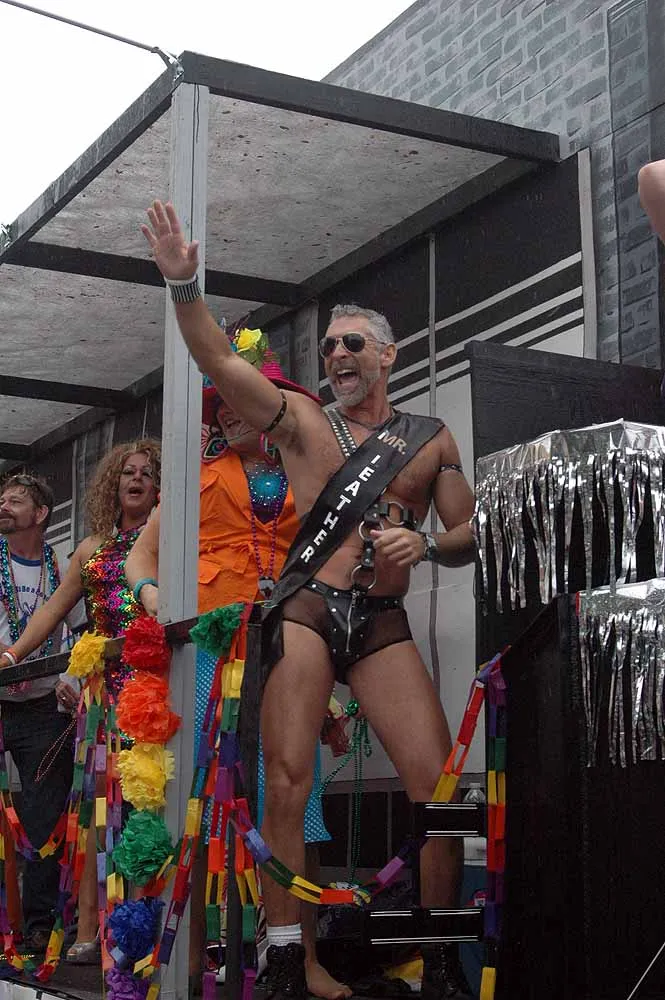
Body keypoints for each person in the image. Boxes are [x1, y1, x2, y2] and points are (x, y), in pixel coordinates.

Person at [142, 200, 476, 1000]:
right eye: (328, 345)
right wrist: (184, 287)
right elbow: (218, 360)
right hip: (305, 613)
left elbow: (468, 533)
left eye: (351, 343)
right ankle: (288, 958)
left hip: (382, 622)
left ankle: (437, 959)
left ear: (388, 355)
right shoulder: (296, 419)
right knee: (286, 782)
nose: (336, 354)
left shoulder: (430, 438)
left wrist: (426, 545)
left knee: (440, 790)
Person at [125, 344, 351, 1000]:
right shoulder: (193, 479)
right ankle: (189, 961)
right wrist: (154, 601)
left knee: (297, 801)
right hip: (208, 649)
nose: (225, 412)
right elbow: (140, 558)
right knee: (198, 802)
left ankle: (300, 959)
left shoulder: (308, 473)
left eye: (236, 399)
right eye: (218, 404)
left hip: (290, 642)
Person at [0, 441, 161, 962]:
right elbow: (52, 611)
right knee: (96, 810)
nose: (136, 480)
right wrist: (12, 655)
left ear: (162, 487)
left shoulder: (171, 539)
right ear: (112, 483)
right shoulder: (91, 547)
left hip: (157, 689)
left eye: (148, 473)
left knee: (148, 807)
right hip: (104, 697)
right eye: (127, 472)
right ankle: (92, 929)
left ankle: (144, 926)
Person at [0, 474, 77, 955]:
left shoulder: (65, 567)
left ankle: (38, 927)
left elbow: (85, 633)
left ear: (41, 513)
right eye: (2, 500)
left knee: (44, 820)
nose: (4, 506)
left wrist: (75, 681)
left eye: (15, 500)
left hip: (46, 710)